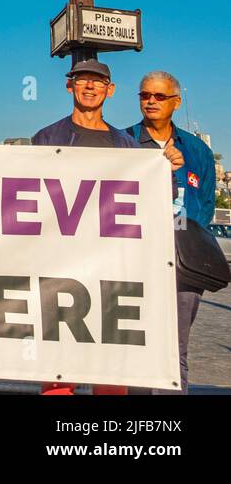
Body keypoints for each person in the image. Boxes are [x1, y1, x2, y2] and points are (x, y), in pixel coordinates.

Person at [33, 57, 138, 395]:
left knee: (111, 359)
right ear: (69, 86)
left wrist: (165, 171)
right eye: (82, 79)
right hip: (60, 265)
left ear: (110, 90)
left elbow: (148, 199)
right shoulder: (47, 138)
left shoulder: (127, 144)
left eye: (97, 81)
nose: (90, 86)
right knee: (58, 361)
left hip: (110, 266)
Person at [126, 71, 214, 395]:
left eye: (159, 96)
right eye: (144, 95)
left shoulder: (197, 151)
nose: (150, 101)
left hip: (182, 266)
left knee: (175, 349)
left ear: (176, 102)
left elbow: (205, 204)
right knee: (132, 346)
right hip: (134, 262)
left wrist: (188, 244)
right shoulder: (123, 142)